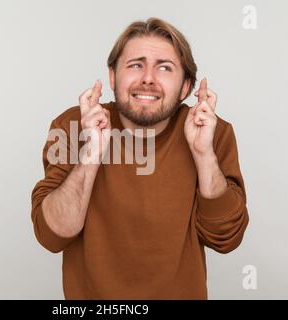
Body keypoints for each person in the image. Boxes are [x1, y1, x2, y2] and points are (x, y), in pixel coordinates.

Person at [31, 17, 249, 299]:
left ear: (185, 87)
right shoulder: (73, 125)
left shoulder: (210, 131)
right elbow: (52, 235)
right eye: (136, 65)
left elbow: (226, 239)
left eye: (165, 68)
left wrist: (204, 154)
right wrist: (92, 153)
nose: (148, 78)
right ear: (112, 76)